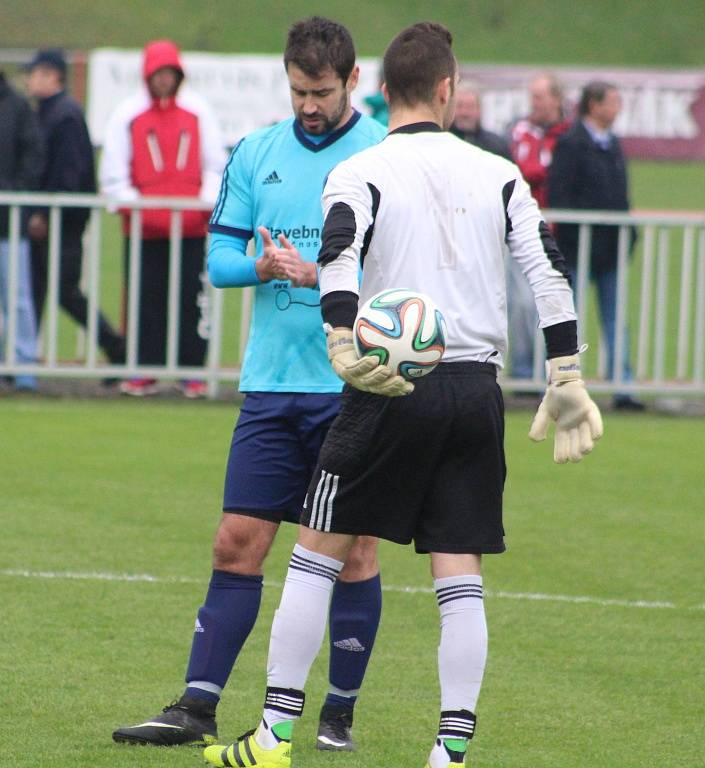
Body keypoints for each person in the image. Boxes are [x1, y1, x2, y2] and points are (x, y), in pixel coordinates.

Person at [203, 21, 603, 768]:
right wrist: (566, 375)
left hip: (387, 382)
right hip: (475, 386)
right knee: (459, 573)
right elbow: (546, 271)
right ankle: (450, 750)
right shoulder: (498, 172)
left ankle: (272, 737)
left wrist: (341, 342)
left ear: (382, 92)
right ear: (448, 90)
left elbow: (338, 253)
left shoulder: (362, 168)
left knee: (315, 555)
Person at [112, 17, 387, 751]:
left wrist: (331, 278)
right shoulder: (255, 152)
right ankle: (195, 707)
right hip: (270, 388)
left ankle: (337, 716)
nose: (308, 104)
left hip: (350, 389)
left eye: (321, 92)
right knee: (236, 542)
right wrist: (262, 268)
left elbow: (400, 276)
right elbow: (219, 259)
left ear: (352, 83)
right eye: (298, 90)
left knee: (351, 553)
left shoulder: (382, 155)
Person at [100, 40, 225, 398]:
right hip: (143, 230)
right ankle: (143, 369)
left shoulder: (198, 111)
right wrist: (141, 207)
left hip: (190, 227)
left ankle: (192, 372)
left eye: (169, 73)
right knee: (144, 300)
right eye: (158, 73)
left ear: (178, 74)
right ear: (147, 75)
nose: (164, 80)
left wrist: (200, 204)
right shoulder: (128, 114)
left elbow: (215, 166)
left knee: (192, 299)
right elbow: (113, 175)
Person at [25, 49, 126, 371]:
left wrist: (46, 212)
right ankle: (24, 358)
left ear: (55, 76)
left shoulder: (63, 115)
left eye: (38, 73)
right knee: (38, 290)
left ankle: (116, 348)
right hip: (55, 218)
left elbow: (67, 173)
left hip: (62, 221)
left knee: (63, 291)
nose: (31, 80)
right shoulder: (51, 112)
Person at [549, 80, 644, 411]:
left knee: (615, 317)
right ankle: (562, 384)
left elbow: (621, 194)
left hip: (611, 249)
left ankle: (624, 386)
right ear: (595, 105)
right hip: (576, 248)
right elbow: (559, 196)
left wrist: (628, 235)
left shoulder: (612, 143)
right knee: (566, 320)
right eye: (613, 101)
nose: (618, 108)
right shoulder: (571, 143)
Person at [507, 73, 572, 382]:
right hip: (527, 231)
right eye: (531, 96)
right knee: (522, 303)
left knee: (561, 302)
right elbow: (527, 169)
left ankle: (557, 370)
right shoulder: (520, 130)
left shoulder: (571, 133)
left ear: (556, 98)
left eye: (539, 97)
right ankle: (524, 373)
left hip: (566, 234)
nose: (533, 103)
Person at [0, 68, 44, 392]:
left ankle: (24, 366)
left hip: (8, 221)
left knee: (17, 298)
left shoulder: (16, 107)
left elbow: (33, 158)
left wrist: (13, 195)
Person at [449, 82, 511, 160]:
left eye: (470, 107)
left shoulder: (496, 146)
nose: (464, 112)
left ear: (479, 110)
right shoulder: (442, 143)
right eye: (459, 106)